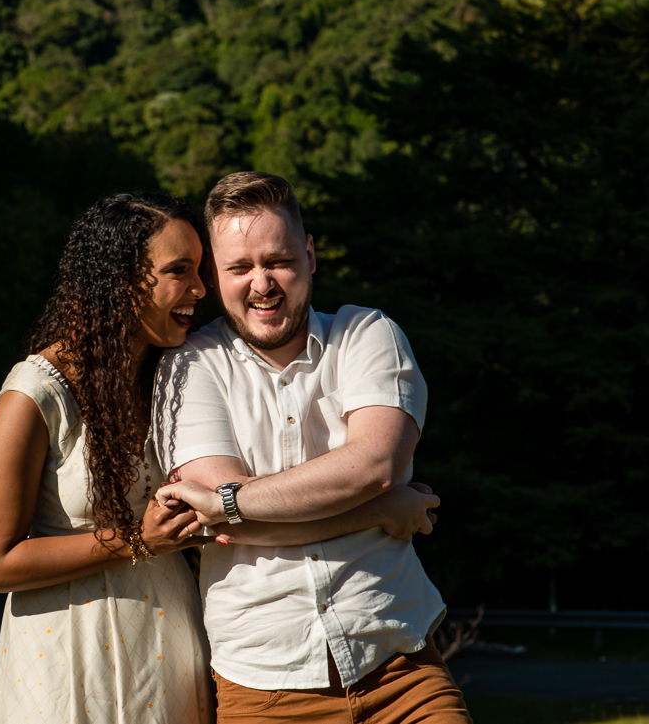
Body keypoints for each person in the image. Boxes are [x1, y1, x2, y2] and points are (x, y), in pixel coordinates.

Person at [0, 191, 444, 724]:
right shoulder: (37, 391)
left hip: (169, 643)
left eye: (200, 270)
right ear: (123, 281)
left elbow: (226, 511)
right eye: (181, 271)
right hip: (69, 648)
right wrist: (138, 541)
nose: (200, 288)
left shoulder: (164, 373)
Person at [154, 172, 470, 723]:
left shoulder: (367, 334)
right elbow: (227, 523)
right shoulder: (188, 365)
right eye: (239, 268)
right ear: (215, 275)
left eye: (278, 261)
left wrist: (235, 502)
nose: (261, 284)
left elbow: (374, 465)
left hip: (400, 666)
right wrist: (379, 510)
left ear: (310, 255)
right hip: (264, 685)